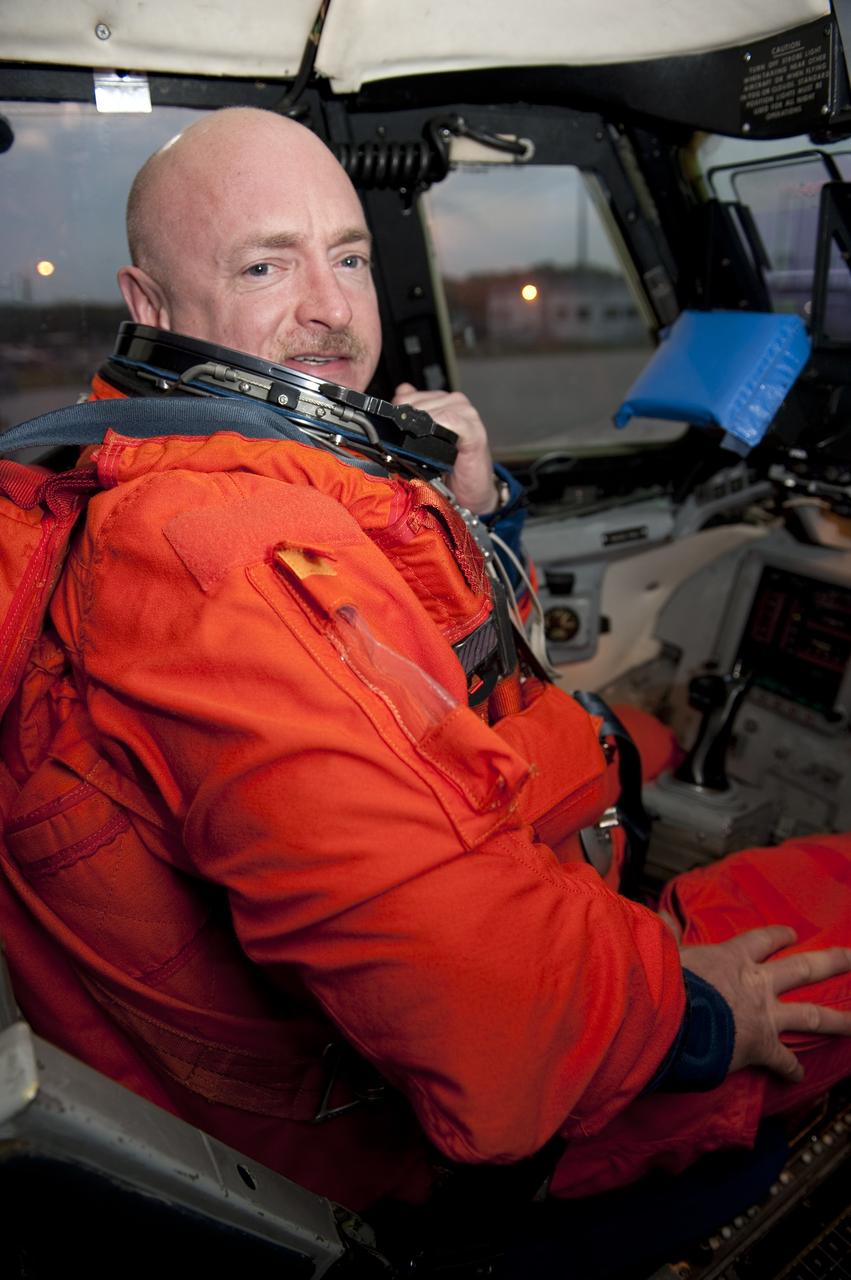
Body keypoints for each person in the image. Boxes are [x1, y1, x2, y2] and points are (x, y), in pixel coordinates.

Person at [1, 106, 851, 1222]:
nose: (330, 310)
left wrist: (477, 507)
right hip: (418, 1149)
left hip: (409, 980)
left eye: (346, 256)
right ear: (149, 306)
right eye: (265, 264)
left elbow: (422, 687)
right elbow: (490, 1019)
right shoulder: (215, 559)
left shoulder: (201, 469)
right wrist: (696, 1016)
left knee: (642, 742)